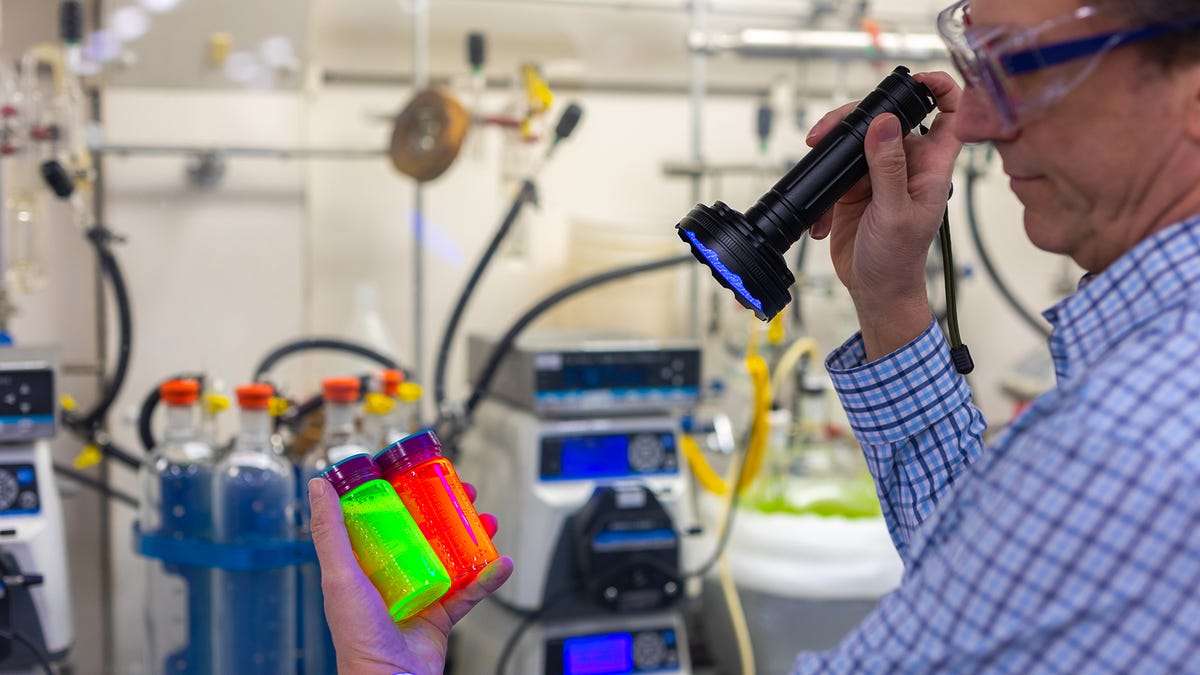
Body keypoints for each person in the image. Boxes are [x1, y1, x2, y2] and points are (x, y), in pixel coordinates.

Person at [308, 0, 1200, 671]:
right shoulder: (1141, 383)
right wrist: (887, 297)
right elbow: (980, 562)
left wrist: (386, 668)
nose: (979, 119)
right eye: (980, 64)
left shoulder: (1136, 434)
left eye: (1029, 66)